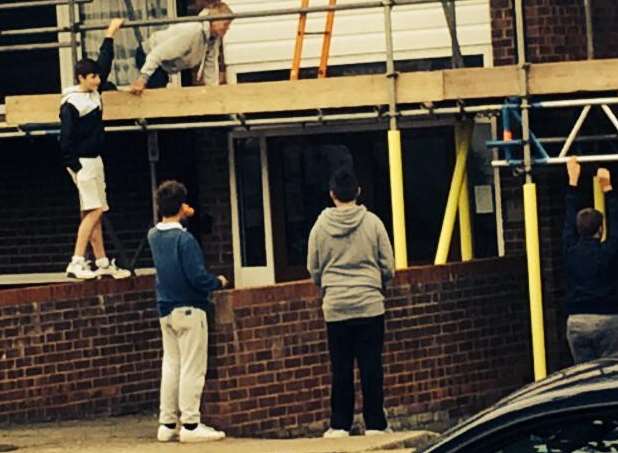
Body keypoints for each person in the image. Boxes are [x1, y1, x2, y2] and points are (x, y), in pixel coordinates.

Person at [307, 167, 395, 438]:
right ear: (358, 192)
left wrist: (328, 285)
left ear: (332, 194)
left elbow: (314, 267)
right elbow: (388, 266)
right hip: (369, 303)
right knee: (371, 365)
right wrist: (375, 282)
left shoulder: (320, 227)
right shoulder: (373, 223)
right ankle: (376, 424)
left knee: (341, 367)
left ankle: (340, 424)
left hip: (336, 306)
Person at [148, 180, 229, 443]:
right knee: (193, 367)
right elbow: (197, 277)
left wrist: (182, 213)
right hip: (190, 308)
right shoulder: (185, 239)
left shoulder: (154, 236)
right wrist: (218, 282)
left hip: (165, 308)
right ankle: (191, 424)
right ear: (182, 205)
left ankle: (167, 422)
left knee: (171, 364)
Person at [60, 18, 131, 280]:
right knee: (95, 211)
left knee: (94, 211)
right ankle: (76, 261)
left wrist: (110, 34)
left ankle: (101, 262)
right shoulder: (72, 103)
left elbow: (104, 62)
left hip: (94, 159)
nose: (98, 79)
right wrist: (75, 167)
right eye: (92, 77)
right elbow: (65, 139)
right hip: (83, 161)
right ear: (81, 78)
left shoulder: (93, 92)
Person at [563, 157, 618, 363]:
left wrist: (572, 181)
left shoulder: (570, 250)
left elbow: (568, 222)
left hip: (577, 322)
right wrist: (609, 189)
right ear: (600, 229)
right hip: (607, 319)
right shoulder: (608, 252)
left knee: (583, 377)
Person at [129, 2, 233, 94]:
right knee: (156, 90)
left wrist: (213, 93)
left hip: (164, 63)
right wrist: (142, 78)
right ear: (215, 21)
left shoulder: (212, 39)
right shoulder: (193, 32)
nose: (228, 28)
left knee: (159, 89)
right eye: (225, 24)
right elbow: (157, 53)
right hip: (148, 53)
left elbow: (210, 66)